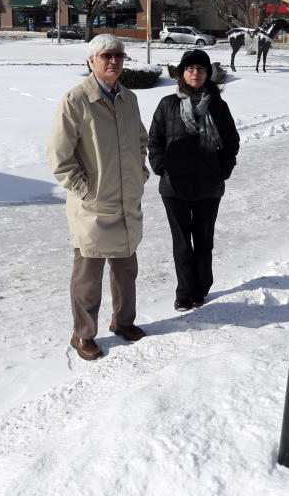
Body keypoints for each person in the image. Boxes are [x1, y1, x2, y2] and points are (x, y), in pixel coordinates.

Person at [47, 34, 149, 361]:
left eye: (119, 56)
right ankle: (83, 334)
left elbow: (140, 142)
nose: (114, 62)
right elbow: (59, 158)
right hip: (92, 209)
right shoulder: (76, 101)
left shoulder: (129, 100)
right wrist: (85, 190)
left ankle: (123, 322)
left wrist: (140, 174)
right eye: (107, 56)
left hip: (125, 203)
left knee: (125, 272)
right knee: (88, 278)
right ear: (92, 60)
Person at [148, 49, 239, 311]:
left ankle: (200, 289)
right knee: (181, 243)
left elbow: (231, 141)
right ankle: (183, 292)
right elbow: (154, 139)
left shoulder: (217, 106)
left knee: (204, 241)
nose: (195, 73)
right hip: (174, 187)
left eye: (200, 68)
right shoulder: (168, 104)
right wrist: (161, 167)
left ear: (207, 73)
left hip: (208, 187)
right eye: (190, 69)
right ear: (182, 74)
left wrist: (223, 170)